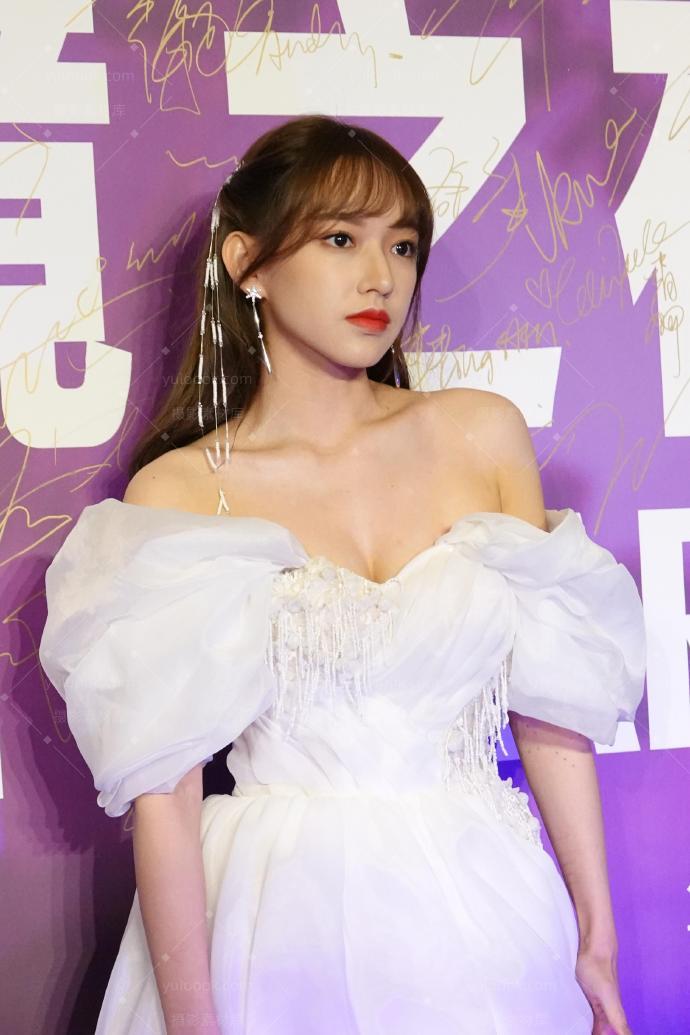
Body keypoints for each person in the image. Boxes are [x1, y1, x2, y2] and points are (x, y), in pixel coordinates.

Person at [39, 114, 646, 1035]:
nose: (381, 278)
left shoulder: (481, 433)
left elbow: (551, 701)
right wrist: (193, 1019)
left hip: (487, 914)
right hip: (278, 921)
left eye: (402, 245)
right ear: (247, 262)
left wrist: (595, 934)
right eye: (339, 239)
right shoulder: (181, 490)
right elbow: (165, 792)